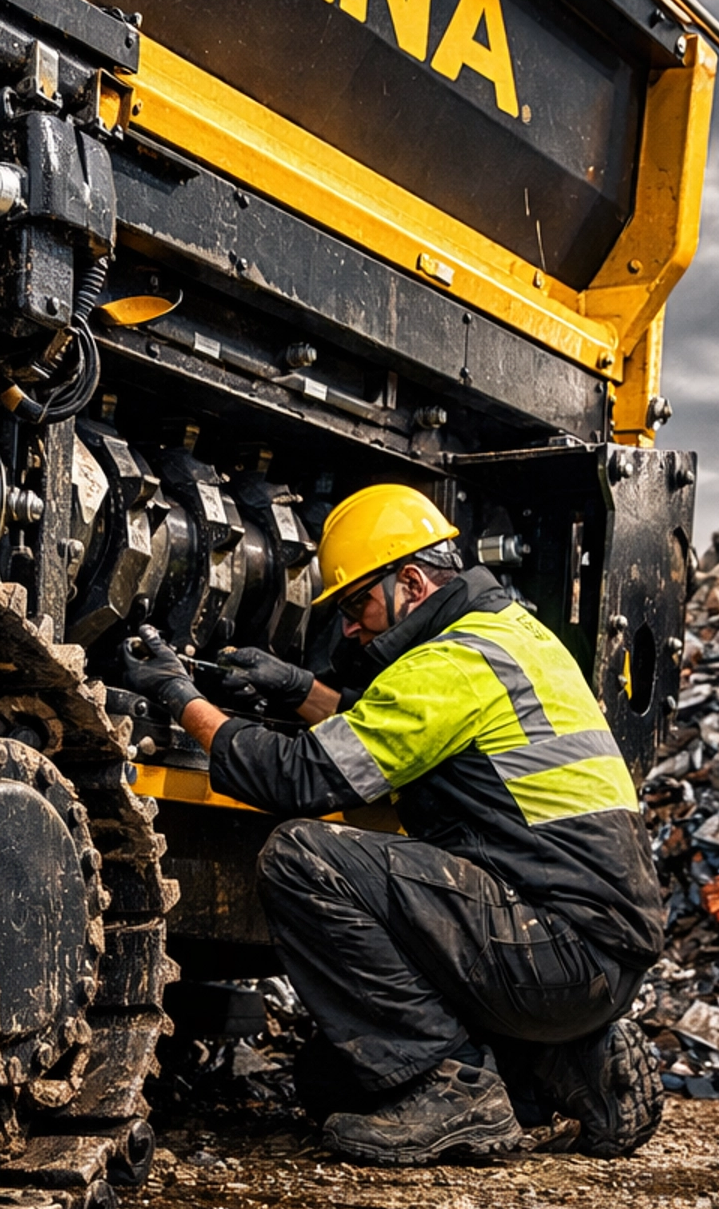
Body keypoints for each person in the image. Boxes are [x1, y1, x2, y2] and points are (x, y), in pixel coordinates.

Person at [120, 483, 665, 1165]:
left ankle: (451, 1090)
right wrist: (297, 689)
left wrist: (182, 700)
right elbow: (407, 738)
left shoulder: (451, 663)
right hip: (592, 956)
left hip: (552, 947)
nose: (350, 628)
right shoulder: (511, 638)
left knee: (302, 856)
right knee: (328, 1078)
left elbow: (301, 777)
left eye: (357, 605)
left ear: (410, 581)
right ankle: (568, 1060)